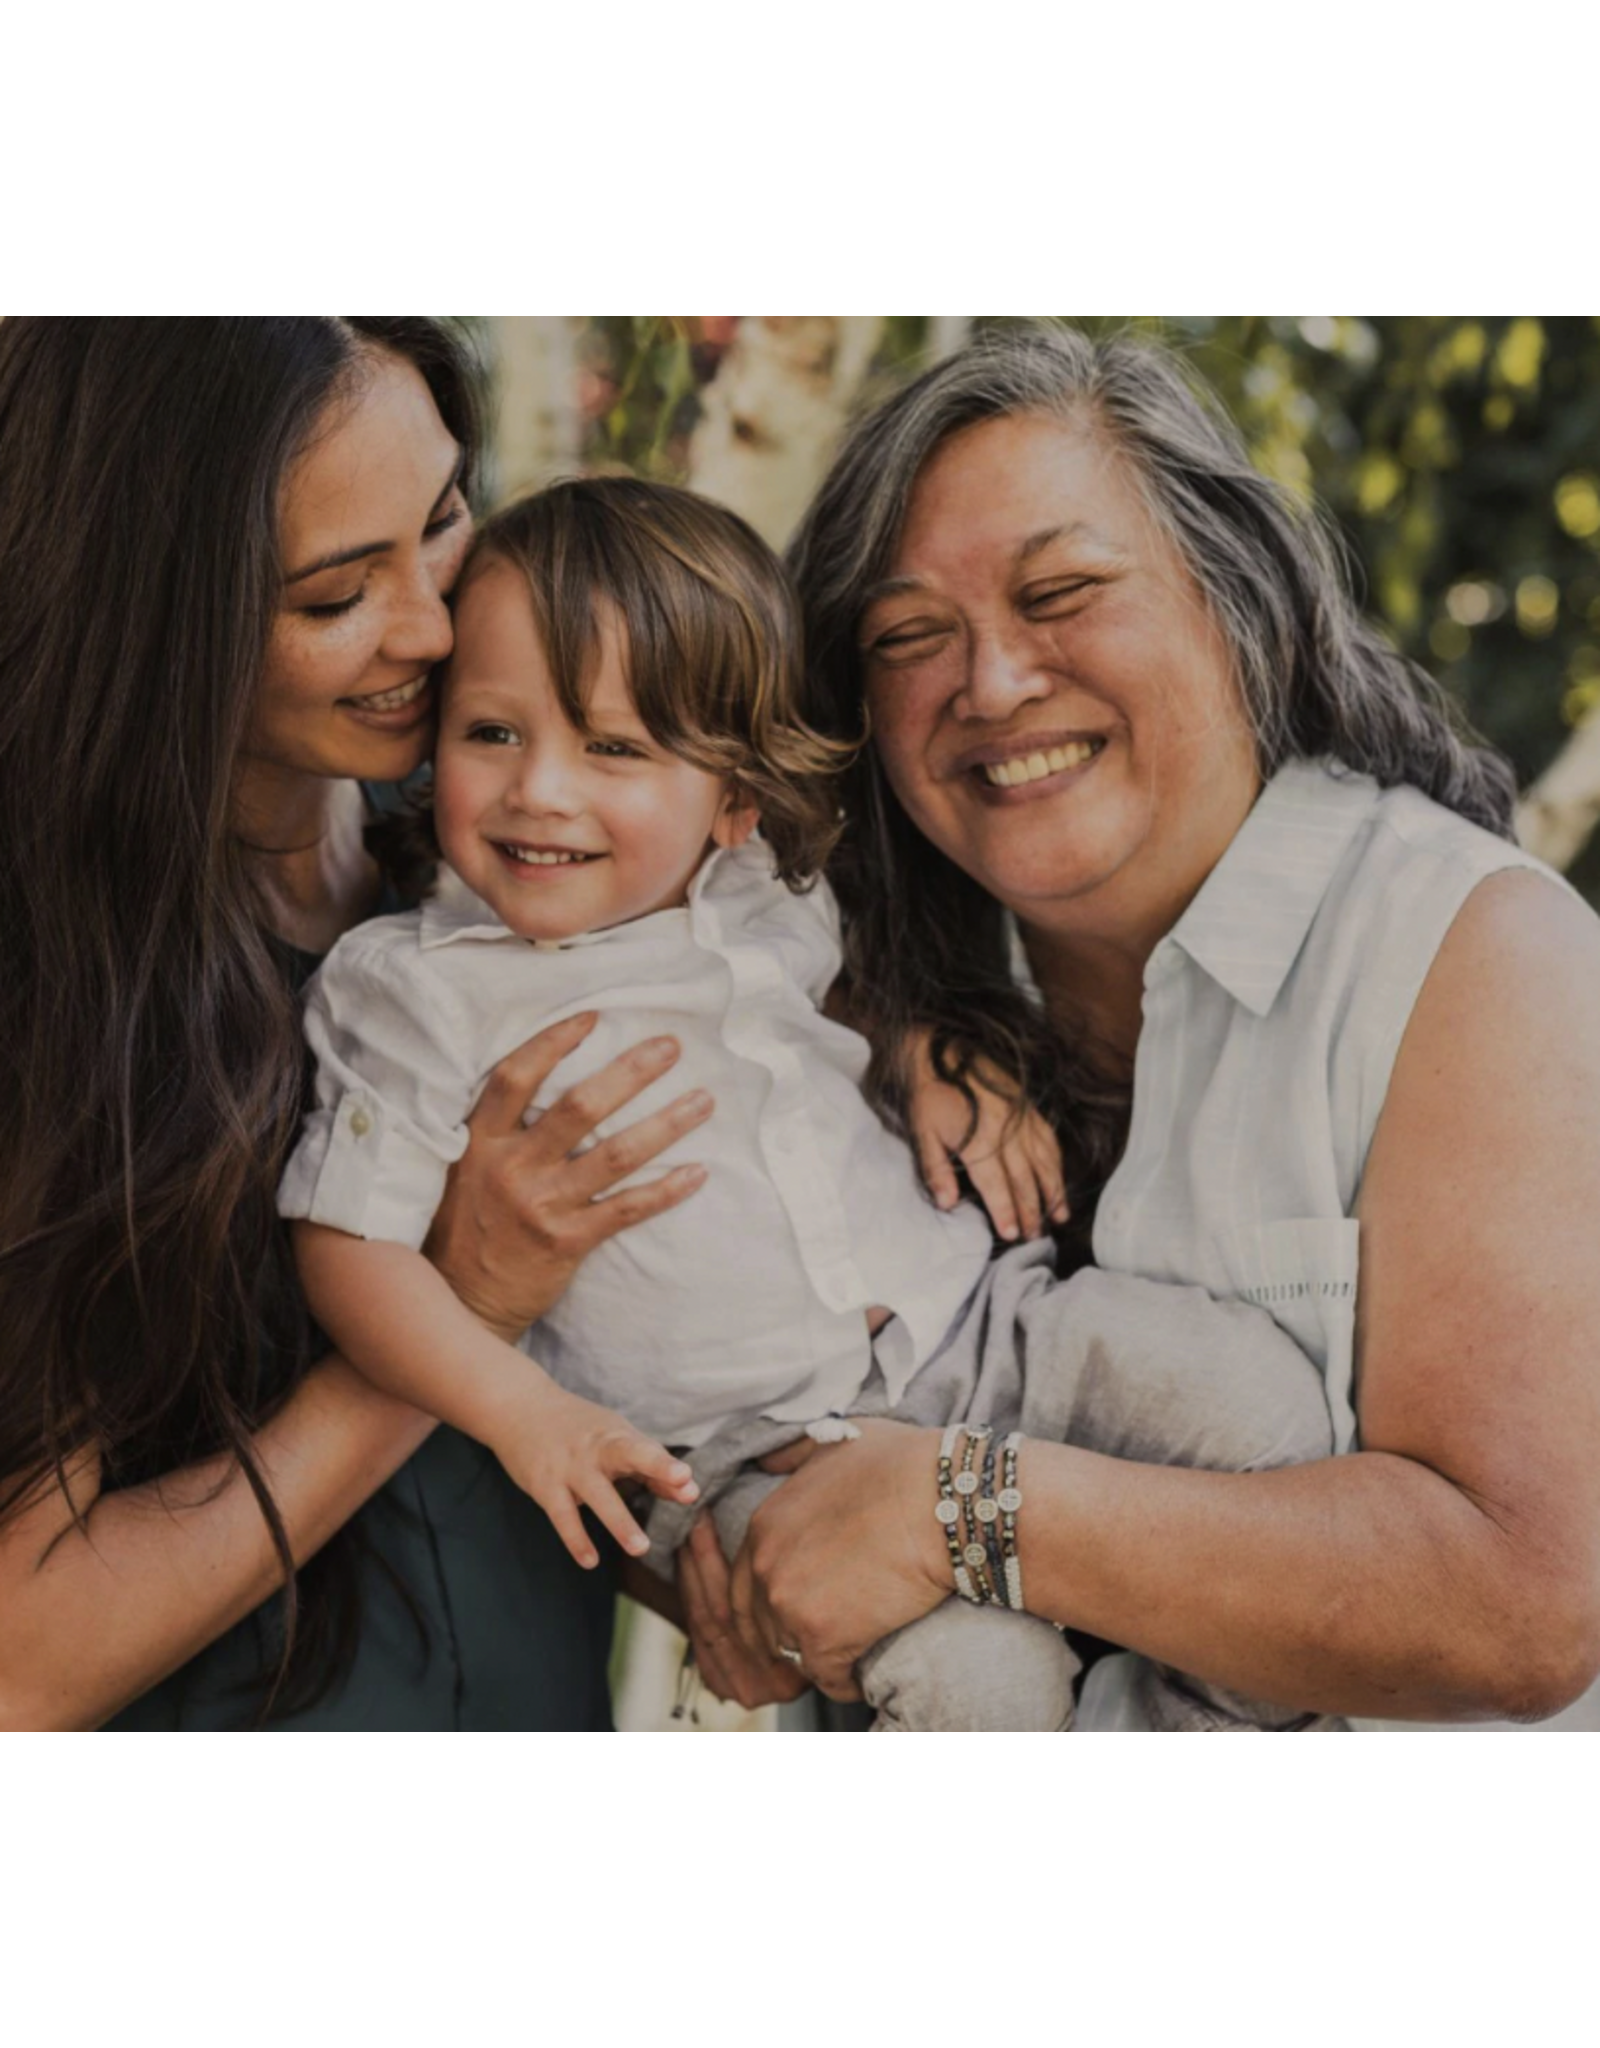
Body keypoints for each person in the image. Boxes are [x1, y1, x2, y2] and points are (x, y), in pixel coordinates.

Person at [284, 476, 1345, 1733]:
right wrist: (528, 1415)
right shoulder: (412, 990)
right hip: (757, 1466)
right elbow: (343, 1246)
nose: (540, 792)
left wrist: (920, 1050)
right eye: (492, 733)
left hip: (982, 1331)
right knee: (980, 1689)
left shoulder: (765, 893)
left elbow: (841, 1004)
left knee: (1261, 1407)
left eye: (614, 746)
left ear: (735, 796)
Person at [676, 321, 1600, 1733]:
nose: (991, 683)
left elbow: (1522, 1608)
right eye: (912, 635)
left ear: (1242, 602)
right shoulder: (829, 1013)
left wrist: (959, 1510)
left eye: (1065, 593)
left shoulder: (1469, 954)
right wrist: (746, 1589)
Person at [0, 317, 712, 1733]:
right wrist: (448, 1309)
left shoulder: (506, 843)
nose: (436, 629)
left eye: (444, 518)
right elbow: (22, 1660)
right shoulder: (52, 999)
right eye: (334, 596)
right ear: (150, 619)